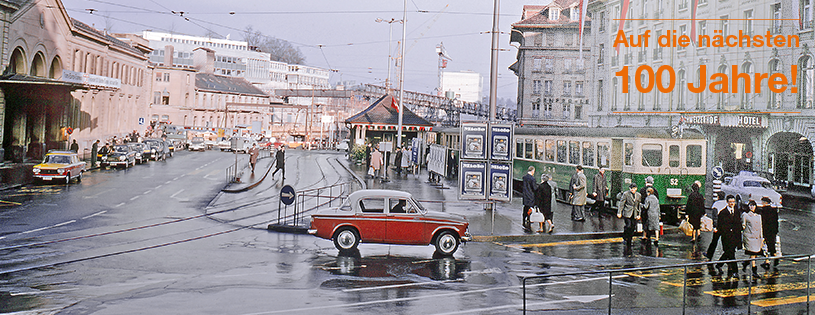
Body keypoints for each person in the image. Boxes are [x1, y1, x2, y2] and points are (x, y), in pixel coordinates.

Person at [715, 195, 743, 280]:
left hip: (735, 236)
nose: (732, 204)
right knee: (731, 253)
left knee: (729, 252)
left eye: (733, 202)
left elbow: (738, 224)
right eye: (730, 202)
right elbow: (720, 225)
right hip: (726, 237)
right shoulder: (723, 213)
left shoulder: (737, 212)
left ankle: (719, 264)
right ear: (727, 202)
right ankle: (735, 271)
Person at [741, 199, 764, 279]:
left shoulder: (758, 216)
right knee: (753, 254)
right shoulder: (745, 215)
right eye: (750, 205)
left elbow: (761, 227)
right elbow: (743, 226)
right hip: (749, 237)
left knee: (755, 254)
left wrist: (762, 237)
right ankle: (754, 271)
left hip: (757, 238)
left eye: (753, 205)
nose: (752, 207)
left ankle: (746, 263)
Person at [618, 183, 641, 256]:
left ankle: (630, 239)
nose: (633, 190)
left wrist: (639, 214)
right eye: (631, 189)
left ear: (636, 189)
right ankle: (625, 237)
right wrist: (619, 212)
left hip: (634, 213)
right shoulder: (626, 194)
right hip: (627, 212)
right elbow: (621, 203)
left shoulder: (638, 195)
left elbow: (639, 205)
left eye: (634, 189)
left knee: (633, 227)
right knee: (628, 225)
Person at [757, 196, 780, 269]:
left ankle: (768, 260)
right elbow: (776, 222)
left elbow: (762, 222)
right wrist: (776, 230)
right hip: (772, 231)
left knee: (765, 247)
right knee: (771, 246)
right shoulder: (774, 210)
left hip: (765, 231)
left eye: (762, 202)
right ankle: (772, 258)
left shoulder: (763, 210)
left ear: (765, 202)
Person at [639, 176, 658, 241]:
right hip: (653, 211)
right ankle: (651, 236)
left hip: (645, 210)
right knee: (653, 224)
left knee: (645, 223)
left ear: (646, 181)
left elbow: (640, 200)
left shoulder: (642, 190)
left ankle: (644, 235)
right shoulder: (655, 190)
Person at [522, 165, 538, 231]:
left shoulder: (524, 177)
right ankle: (529, 218)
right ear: (532, 171)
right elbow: (534, 188)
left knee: (525, 207)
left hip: (525, 195)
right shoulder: (532, 179)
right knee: (530, 208)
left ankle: (524, 218)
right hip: (531, 195)